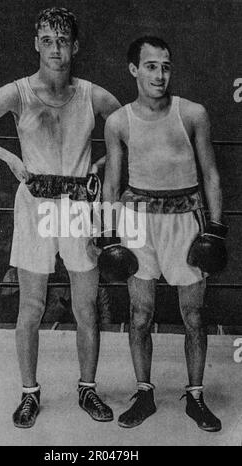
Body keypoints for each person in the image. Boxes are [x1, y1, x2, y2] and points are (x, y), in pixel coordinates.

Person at [0, 7, 120, 428]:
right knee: (31, 304)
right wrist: (8, 156)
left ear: (75, 46)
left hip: (80, 203)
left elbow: (128, 131)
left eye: (62, 41)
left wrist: (101, 165)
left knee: (85, 305)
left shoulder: (93, 94)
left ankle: (87, 388)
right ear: (36, 44)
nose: (55, 49)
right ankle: (29, 392)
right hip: (35, 201)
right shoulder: (18, 92)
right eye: (47, 39)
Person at [103, 36, 225, 431]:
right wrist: (110, 233)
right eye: (151, 66)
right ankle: (144, 392)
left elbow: (210, 173)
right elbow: (112, 181)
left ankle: (195, 396)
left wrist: (217, 229)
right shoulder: (118, 121)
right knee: (140, 314)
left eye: (166, 66)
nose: (160, 74)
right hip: (138, 221)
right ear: (134, 69)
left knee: (193, 314)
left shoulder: (192, 113)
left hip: (185, 219)